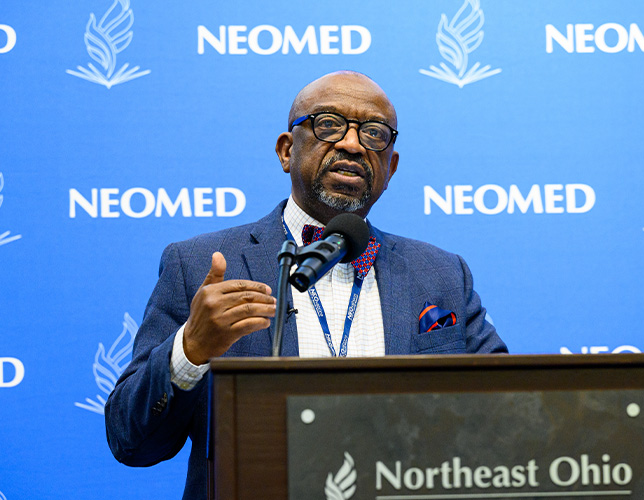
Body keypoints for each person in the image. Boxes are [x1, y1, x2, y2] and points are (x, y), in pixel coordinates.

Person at [105, 71, 508, 500]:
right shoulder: (199, 264)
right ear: (286, 150)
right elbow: (131, 441)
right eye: (328, 124)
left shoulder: (442, 273)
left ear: (389, 167)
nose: (352, 144)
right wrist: (190, 350)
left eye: (373, 133)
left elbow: (503, 416)